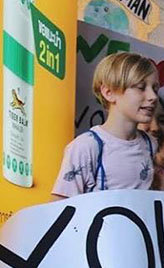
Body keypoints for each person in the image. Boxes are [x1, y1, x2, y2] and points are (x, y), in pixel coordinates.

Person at [52, 52, 158, 198]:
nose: (153, 96)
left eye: (155, 89)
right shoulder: (86, 146)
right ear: (109, 92)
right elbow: (60, 205)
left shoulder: (150, 145)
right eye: (141, 87)